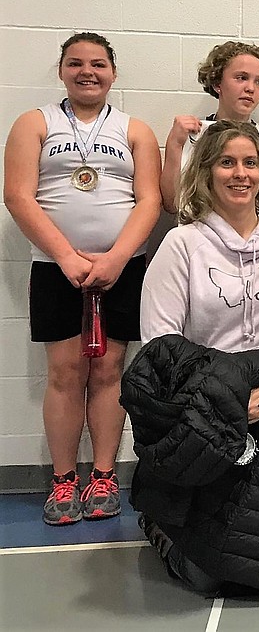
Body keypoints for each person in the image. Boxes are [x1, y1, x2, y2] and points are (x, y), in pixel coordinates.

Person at [137, 119, 259, 593]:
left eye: (250, 163)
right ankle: (159, 519)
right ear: (206, 172)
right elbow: (161, 347)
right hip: (204, 410)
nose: (240, 173)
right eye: (227, 162)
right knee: (207, 573)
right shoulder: (182, 245)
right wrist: (224, 397)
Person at [4, 32, 161, 525]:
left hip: (122, 267)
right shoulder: (35, 123)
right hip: (56, 268)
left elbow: (151, 201)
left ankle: (105, 474)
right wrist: (66, 257)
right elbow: (18, 196)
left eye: (97, 64)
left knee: (110, 371)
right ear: (61, 70)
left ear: (113, 72)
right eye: (76, 63)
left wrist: (117, 257)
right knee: (66, 373)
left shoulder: (135, 129)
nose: (87, 72)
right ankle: (65, 478)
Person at [161, 41, 259, 212]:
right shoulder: (192, 135)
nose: (251, 88)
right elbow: (172, 203)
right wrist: (175, 144)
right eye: (241, 78)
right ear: (218, 84)